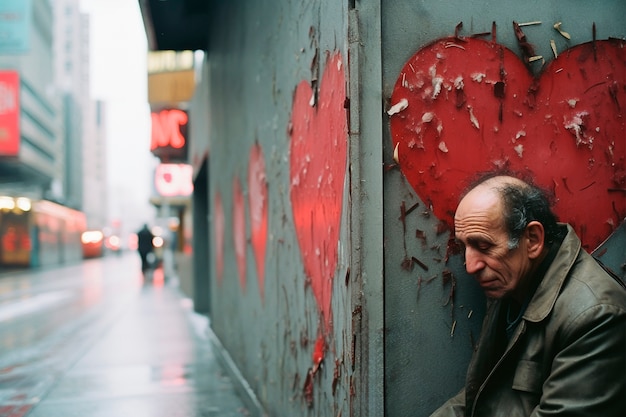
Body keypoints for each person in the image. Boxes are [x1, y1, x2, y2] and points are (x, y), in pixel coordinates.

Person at [430, 173, 626, 417]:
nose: (470, 266)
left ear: (532, 239)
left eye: (484, 246)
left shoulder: (596, 316)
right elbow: (480, 397)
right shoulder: (513, 281)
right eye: (463, 247)